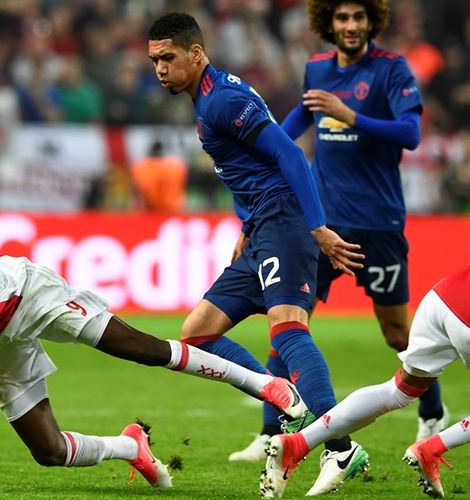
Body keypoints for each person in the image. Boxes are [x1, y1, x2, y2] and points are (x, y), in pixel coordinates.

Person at [0, 200, 309, 489]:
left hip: (31, 297)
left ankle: (267, 386)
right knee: (47, 452)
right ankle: (131, 446)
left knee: (139, 347)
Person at [147, 12, 368, 496]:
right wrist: (247, 226)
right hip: (261, 226)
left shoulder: (223, 100)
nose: (160, 68)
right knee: (197, 334)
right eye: (154, 60)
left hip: (286, 219)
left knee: (288, 331)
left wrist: (317, 228)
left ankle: (341, 448)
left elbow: (288, 154)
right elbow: (243, 168)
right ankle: (282, 393)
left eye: (168, 57)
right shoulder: (206, 98)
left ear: (196, 54)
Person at [232, 0, 447, 465]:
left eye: (358, 18)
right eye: (342, 18)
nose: (350, 26)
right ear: (327, 23)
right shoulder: (317, 70)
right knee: (288, 320)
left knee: (396, 333)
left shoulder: (391, 70)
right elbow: (290, 135)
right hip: (325, 225)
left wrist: (347, 114)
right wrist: (254, 147)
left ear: (372, 21)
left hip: (378, 223)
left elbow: (410, 134)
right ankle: (271, 429)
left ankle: (432, 411)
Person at [261, 264, 470, 499]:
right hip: (466, 317)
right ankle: (432, 447)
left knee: (399, 390)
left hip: (442, 297)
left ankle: (299, 443)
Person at [130, 138, 188, 212]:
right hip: (172, 211)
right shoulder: (176, 167)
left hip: (149, 214)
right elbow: (182, 193)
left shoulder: (140, 167)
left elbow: (136, 196)